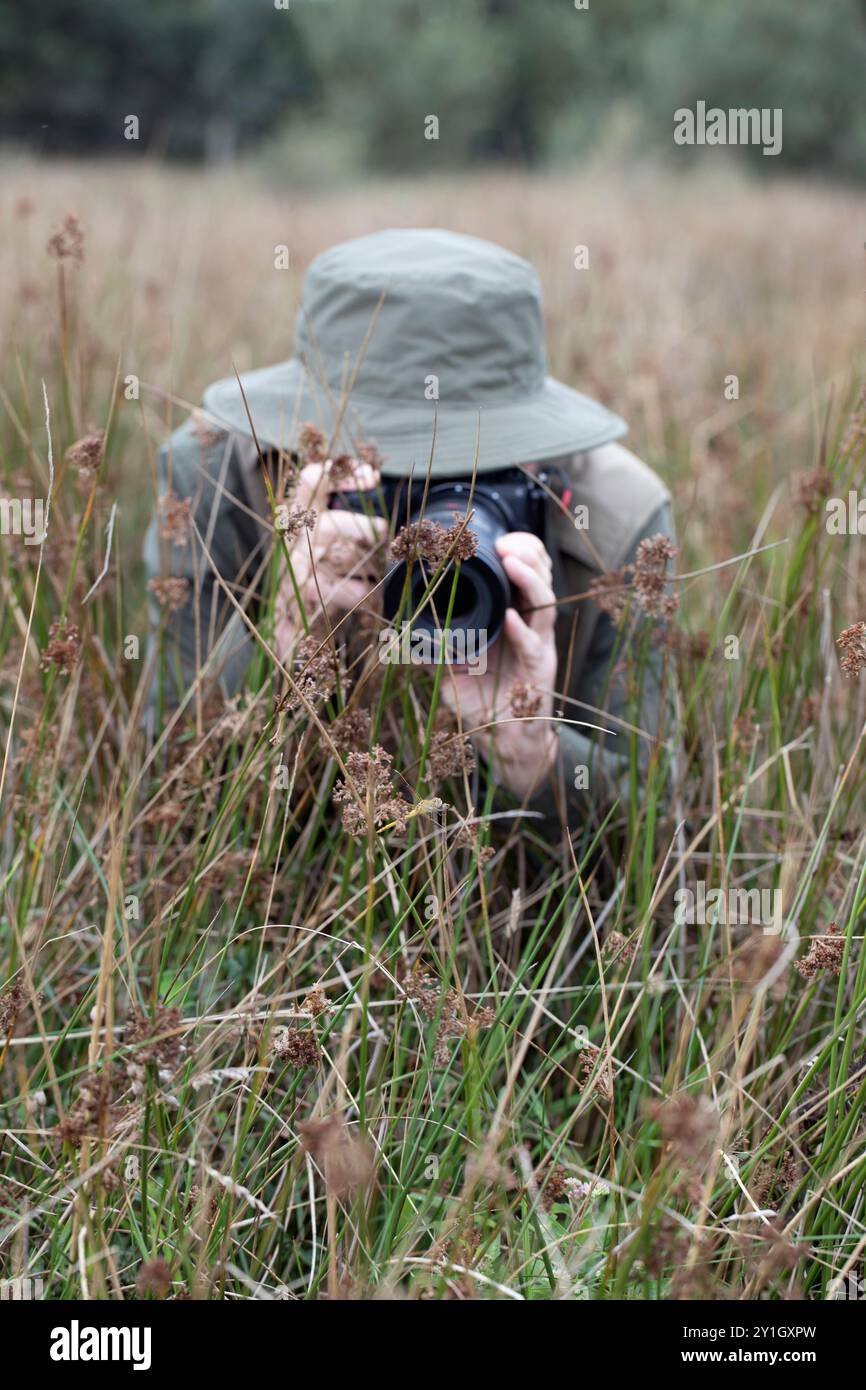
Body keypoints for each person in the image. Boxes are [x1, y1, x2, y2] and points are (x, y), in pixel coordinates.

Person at [144, 229, 674, 826]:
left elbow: (652, 826)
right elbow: (168, 781)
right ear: (314, 441)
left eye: (478, 472)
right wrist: (284, 656)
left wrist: (536, 758)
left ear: (537, 455)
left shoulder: (616, 517)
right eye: (394, 476)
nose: (434, 532)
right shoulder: (216, 478)